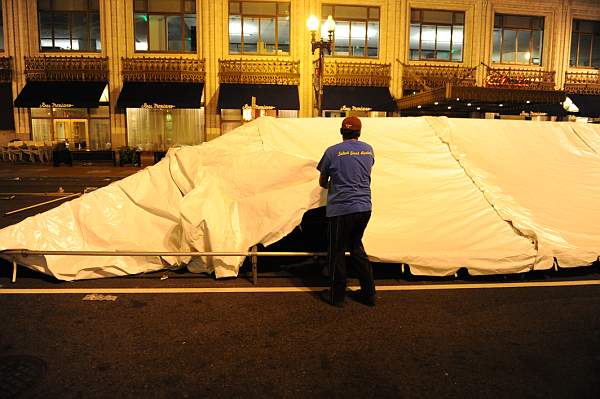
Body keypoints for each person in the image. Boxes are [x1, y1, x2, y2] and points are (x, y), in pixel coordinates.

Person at [316, 116, 376, 307]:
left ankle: (337, 296)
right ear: (359, 132)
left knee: (336, 252)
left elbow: (322, 181)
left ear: (342, 131)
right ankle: (369, 294)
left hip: (341, 209)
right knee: (356, 248)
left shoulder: (332, 152)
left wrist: (330, 183)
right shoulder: (368, 150)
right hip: (364, 207)